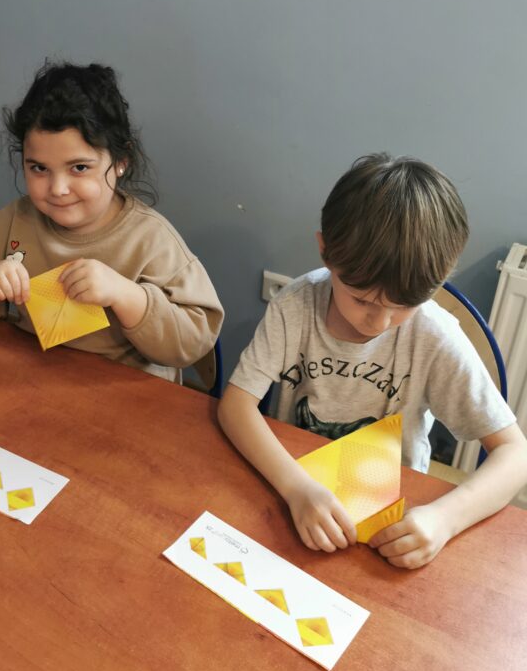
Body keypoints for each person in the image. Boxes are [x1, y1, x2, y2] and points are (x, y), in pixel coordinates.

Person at [218, 153, 527, 569]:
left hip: (389, 520)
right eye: (362, 300)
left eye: (404, 306)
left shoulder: (435, 336)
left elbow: (515, 455)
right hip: (293, 492)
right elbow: (236, 406)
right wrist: (296, 488)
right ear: (325, 251)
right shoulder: (295, 306)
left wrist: (444, 519)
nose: (379, 323)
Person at [0, 61, 223, 382]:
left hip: (126, 393)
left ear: (121, 162)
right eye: (39, 168)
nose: (58, 189)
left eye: (79, 168)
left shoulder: (151, 239)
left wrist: (126, 295)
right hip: (33, 381)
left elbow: (195, 341)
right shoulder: (18, 219)